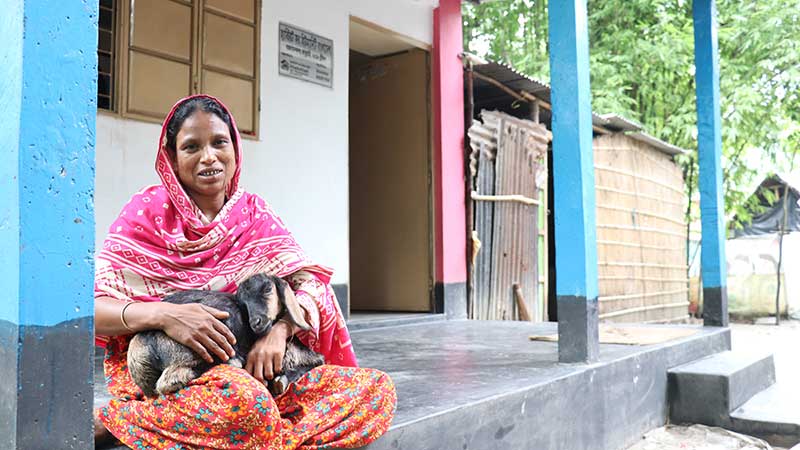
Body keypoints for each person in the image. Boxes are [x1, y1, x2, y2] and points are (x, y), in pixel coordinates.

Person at [94, 95, 396, 449]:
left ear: (235, 149)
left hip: (258, 371)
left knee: (376, 391)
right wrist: (167, 315)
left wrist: (280, 332)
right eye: (191, 147)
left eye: (219, 142)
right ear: (173, 160)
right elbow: (93, 311)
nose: (209, 157)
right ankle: (125, 420)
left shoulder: (254, 214)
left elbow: (310, 286)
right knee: (246, 407)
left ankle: (257, 435)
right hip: (173, 374)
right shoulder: (146, 211)